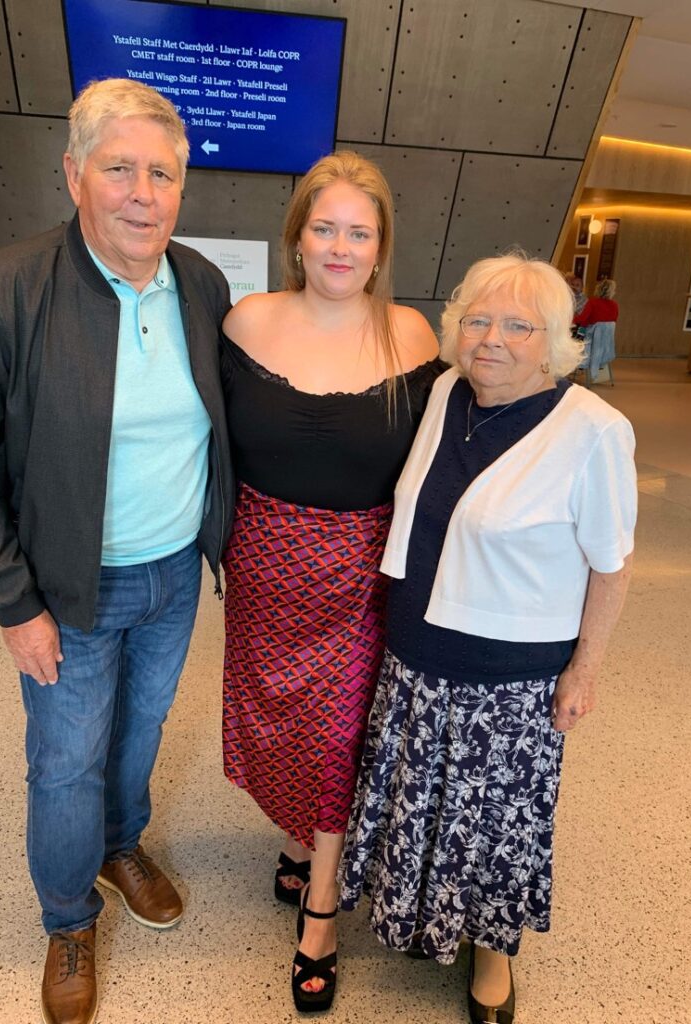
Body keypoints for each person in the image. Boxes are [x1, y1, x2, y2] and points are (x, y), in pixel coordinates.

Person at [0, 79, 234, 1024]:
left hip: (170, 577)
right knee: (65, 758)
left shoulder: (201, 284)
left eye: (162, 173)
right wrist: (15, 604)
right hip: (67, 587)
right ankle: (67, 916)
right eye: (119, 168)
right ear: (74, 173)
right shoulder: (5, 289)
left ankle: (122, 844)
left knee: (142, 729)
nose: (142, 193)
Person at [340, 253, 636, 1024]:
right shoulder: (446, 393)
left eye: (517, 325)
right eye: (477, 319)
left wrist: (585, 671)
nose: (491, 339)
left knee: (496, 824)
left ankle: (493, 954)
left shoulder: (595, 432)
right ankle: (417, 915)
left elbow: (612, 566)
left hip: (510, 679)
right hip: (414, 653)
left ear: (554, 341)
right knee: (421, 798)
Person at [220, 150, 441, 1013]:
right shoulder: (244, 321)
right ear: (297, 238)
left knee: (340, 736)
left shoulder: (414, 334)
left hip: (360, 578)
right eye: (326, 228)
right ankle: (301, 838)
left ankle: (320, 911)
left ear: (382, 248)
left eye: (361, 232)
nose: (341, 248)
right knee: (274, 726)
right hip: (263, 571)